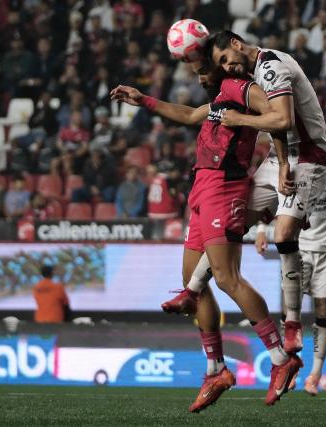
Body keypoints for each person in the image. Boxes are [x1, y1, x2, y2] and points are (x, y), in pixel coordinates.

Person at [111, 57, 301, 410]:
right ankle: (216, 368)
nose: (199, 77)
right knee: (190, 282)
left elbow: (279, 119)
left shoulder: (242, 88)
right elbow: (187, 116)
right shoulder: (219, 100)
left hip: (225, 186)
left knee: (228, 278)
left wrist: (281, 162)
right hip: (202, 186)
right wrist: (144, 100)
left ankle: (280, 358)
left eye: (203, 69)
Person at [179, 30, 326, 357]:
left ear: (237, 44)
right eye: (220, 64)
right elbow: (275, 127)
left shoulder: (270, 66)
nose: (227, 67)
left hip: (309, 157)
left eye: (225, 59)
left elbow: (282, 119)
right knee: (232, 225)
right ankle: (192, 290)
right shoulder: (249, 73)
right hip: (281, 157)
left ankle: (291, 320)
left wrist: (235, 117)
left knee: (284, 232)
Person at [255, 162, 326, 395]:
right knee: (289, 311)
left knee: (324, 314)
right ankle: (289, 370)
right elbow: (273, 194)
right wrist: (262, 230)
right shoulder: (293, 167)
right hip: (298, 248)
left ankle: (315, 374)